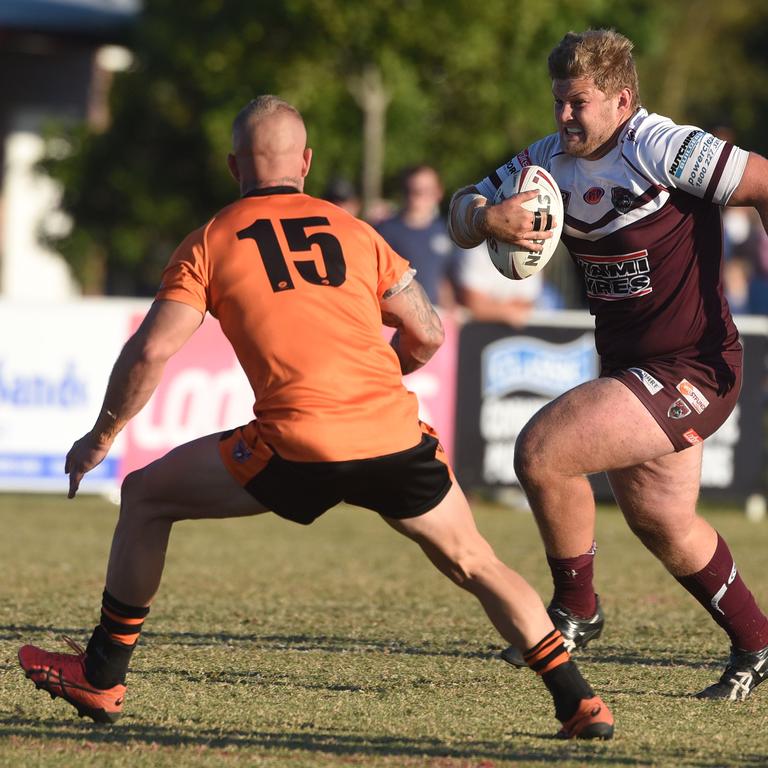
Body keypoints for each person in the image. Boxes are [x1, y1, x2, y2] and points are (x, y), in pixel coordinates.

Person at [17, 95, 613, 739]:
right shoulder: (356, 231)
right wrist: (381, 379)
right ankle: (579, 700)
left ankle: (101, 676)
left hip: (299, 443)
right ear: (305, 161)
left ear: (232, 165)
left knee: (144, 495)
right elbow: (429, 333)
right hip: (394, 435)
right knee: (476, 561)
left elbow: (152, 349)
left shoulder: (211, 240)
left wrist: (103, 434)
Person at [448, 29, 768, 701]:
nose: (564, 117)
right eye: (558, 102)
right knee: (664, 524)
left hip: (695, 365)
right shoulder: (548, 160)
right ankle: (757, 644)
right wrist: (487, 219)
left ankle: (576, 610)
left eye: (579, 103)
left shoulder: (664, 147)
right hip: (632, 364)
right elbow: (461, 208)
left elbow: (764, 180)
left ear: (622, 100)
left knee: (541, 450)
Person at [377, 165, 463, 309]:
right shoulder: (384, 231)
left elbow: (449, 279)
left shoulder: (448, 232)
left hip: (436, 314)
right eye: (414, 191)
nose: (418, 196)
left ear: (438, 192)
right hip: (393, 314)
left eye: (426, 190)